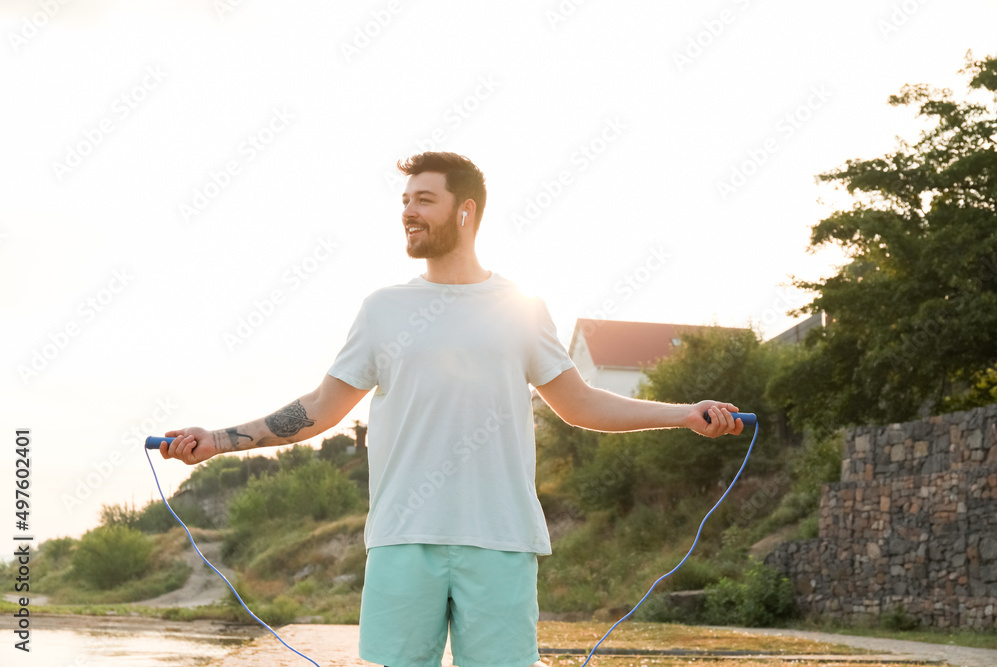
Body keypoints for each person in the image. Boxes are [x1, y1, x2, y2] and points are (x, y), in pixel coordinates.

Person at [159, 151, 745, 667]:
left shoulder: (521, 308)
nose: (409, 213)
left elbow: (581, 404)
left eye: (424, 200)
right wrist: (217, 439)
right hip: (402, 535)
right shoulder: (382, 309)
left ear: (465, 212)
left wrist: (685, 412)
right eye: (405, 201)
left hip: (500, 535)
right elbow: (320, 408)